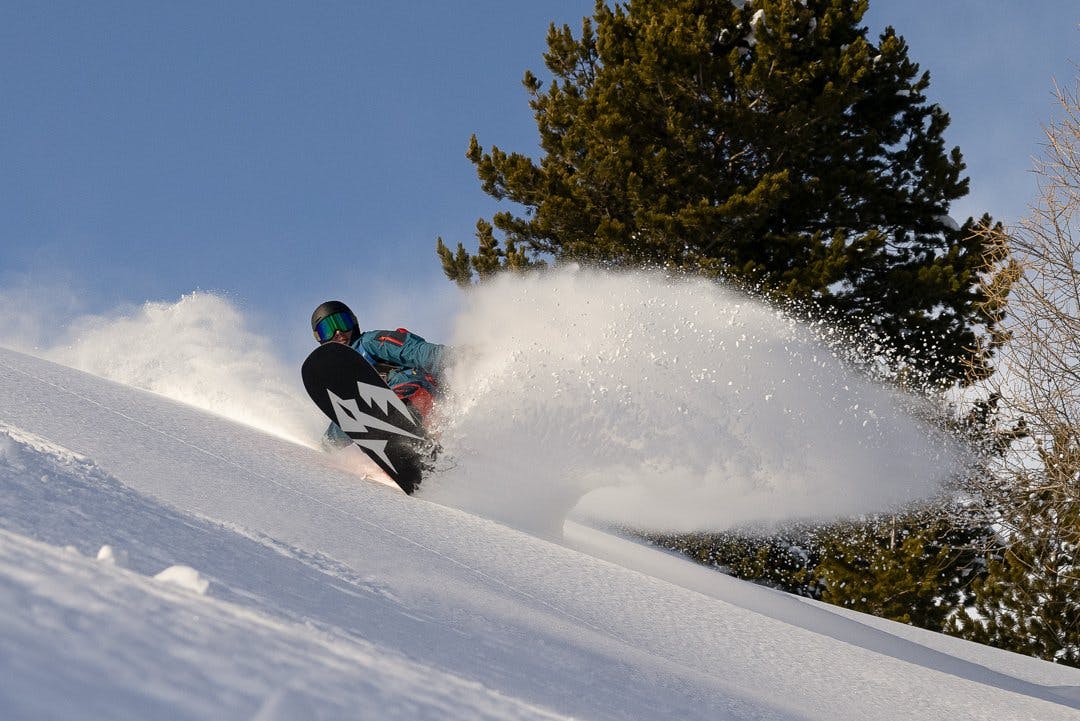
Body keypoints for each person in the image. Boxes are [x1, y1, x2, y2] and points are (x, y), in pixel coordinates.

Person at [310, 300, 448, 450]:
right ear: (320, 337)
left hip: (420, 393)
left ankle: (413, 435)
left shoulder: (369, 342)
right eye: (327, 330)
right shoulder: (340, 375)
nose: (338, 332)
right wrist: (326, 446)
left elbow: (416, 351)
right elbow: (346, 419)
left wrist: (455, 357)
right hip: (380, 413)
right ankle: (401, 450)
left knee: (395, 397)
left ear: (353, 323)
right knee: (354, 413)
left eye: (342, 323)